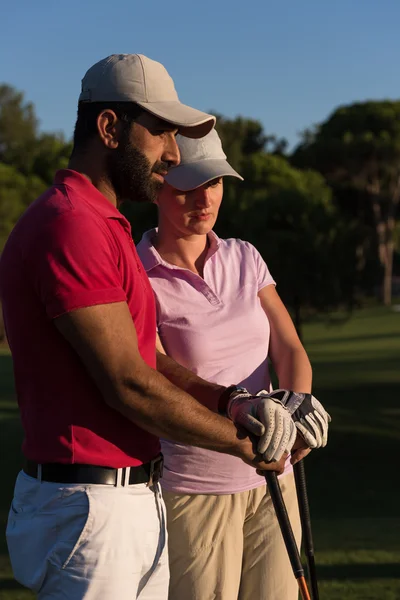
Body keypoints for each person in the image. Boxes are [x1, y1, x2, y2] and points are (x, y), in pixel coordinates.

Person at [0, 54, 297, 600]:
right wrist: (246, 444)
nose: (174, 153)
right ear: (110, 128)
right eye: (160, 132)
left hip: (128, 501)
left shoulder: (105, 223)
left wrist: (234, 402)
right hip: (87, 509)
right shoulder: (71, 225)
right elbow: (127, 382)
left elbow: (151, 360)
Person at [137, 129, 331, 599]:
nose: (205, 200)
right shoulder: (138, 272)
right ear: (156, 186)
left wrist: (299, 401)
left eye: (216, 183)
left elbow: (288, 347)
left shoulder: (245, 256)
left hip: (273, 475)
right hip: (195, 487)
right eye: (188, 186)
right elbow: (158, 370)